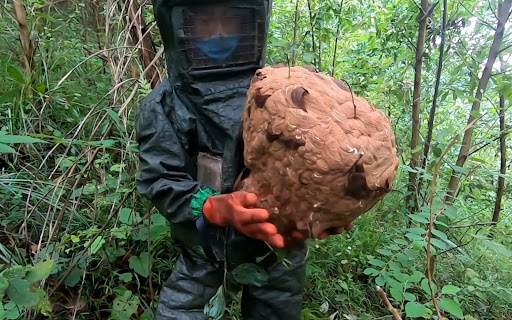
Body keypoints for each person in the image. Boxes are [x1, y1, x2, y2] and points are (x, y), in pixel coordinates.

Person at [136, 1, 351, 319]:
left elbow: (311, 157)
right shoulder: (167, 105)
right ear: (180, 25)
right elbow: (160, 179)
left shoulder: (281, 91)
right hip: (205, 248)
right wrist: (211, 206)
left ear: (253, 23)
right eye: (206, 20)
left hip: (276, 244)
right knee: (182, 310)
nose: (220, 32)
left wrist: (328, 202)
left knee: (277, 308)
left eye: (232, 19)